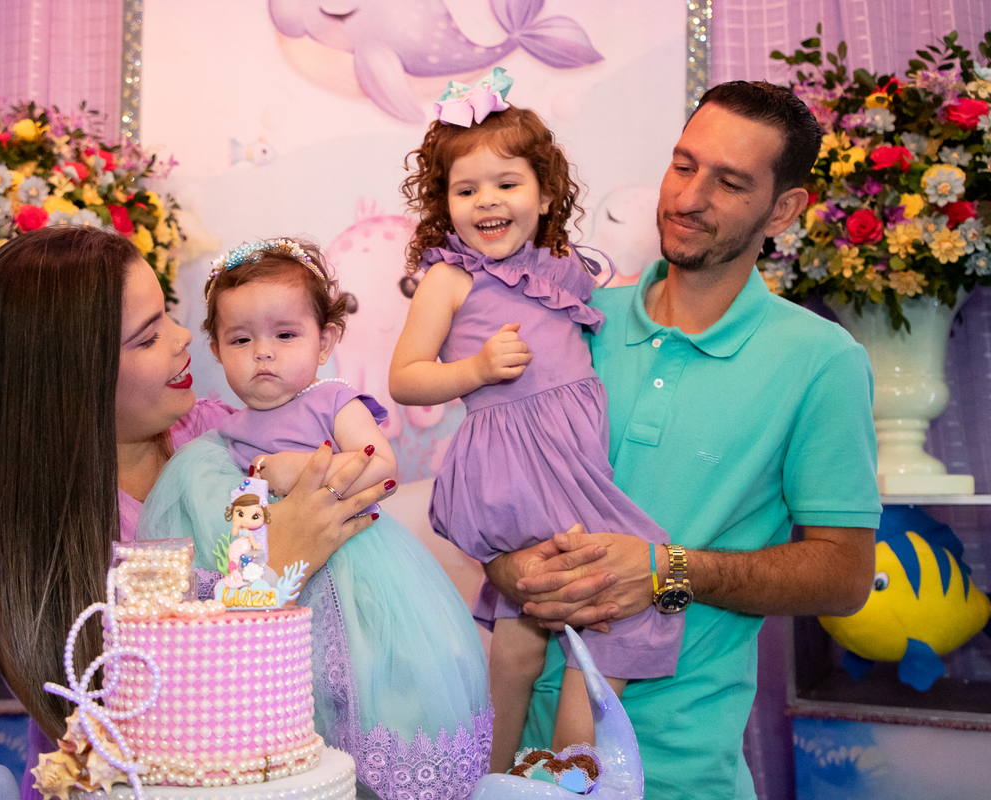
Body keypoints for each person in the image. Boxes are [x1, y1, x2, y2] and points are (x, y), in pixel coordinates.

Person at [484, 81, 882, 799]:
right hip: (517, 762)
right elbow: (500, 497)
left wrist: (667, 571)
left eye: (729, 182)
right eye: (683, 164)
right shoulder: (572, 320)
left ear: (783, 209)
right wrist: (513, 569)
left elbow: (844, 575)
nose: (688, 197)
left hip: (680, 773)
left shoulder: (821, 360)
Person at [0, 227, 392, 800]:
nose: (184, 338)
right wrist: (276, 564)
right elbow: (161, 730)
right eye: (148, 337)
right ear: (72, 381)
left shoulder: (224, 435)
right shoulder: (42, 564)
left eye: (170, 316)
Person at [387, 95, 682, 773]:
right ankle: (572, 773)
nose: (487, 201)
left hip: (567, 462)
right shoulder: (449, 278)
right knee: (621, 595)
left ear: (546, 194)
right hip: (520, 465)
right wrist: (476, 369)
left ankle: (491, 774)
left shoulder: (561, 267)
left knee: (522, 631)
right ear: (443, 202)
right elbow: (404, 378)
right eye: (466, 190)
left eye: (507, 183)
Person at [138, 237, 492, 799]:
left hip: (357, 570)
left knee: (371, 678)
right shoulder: (222, 435)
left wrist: (297, 468)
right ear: (216, 348)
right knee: (297, 704)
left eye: (285, 335)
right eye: (241, 339)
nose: (263, 354)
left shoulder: (332, 401)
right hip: (279, 585)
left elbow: (382, 468)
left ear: (324, 340)